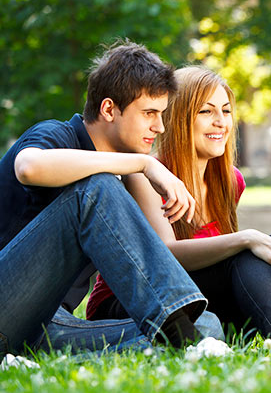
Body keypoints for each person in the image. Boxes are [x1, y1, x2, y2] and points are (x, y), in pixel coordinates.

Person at [86, 66, 271, 354]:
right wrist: (244, 239)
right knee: (244, 251)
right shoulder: (146, 174)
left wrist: (264, 236)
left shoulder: (229, 180)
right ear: (179, 117)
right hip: (135, 299)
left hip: (192, 294)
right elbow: (165, 255)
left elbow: (224, 264)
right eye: (206, 112)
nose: (220, 122)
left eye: (226, 111)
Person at [0, 41, 223, 357]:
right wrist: (145, 164)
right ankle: (181, 340)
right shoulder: (57, 134)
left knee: (206, 327)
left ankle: (33, 361)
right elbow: (29, 167)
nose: (159, 127)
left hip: (43, 326)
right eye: (149, 113)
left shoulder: (119, 170)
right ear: (108, 109)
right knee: (96, 188)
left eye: (161, 114)